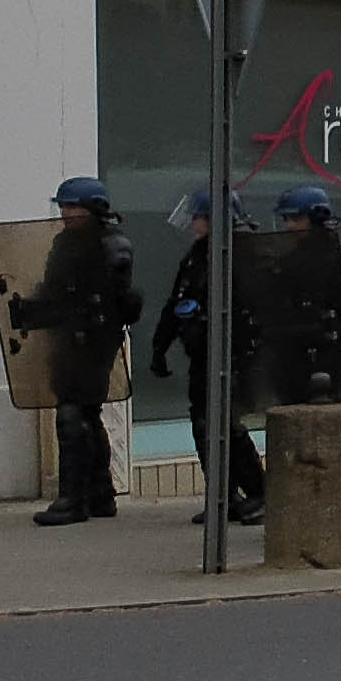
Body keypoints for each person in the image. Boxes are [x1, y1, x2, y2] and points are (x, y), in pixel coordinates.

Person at [17, 177, 139, 527]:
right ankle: (100, 494)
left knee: (73, 415)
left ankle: (73, 499)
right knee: (86, 415)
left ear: (94, 209)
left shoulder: (112, 245)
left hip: (94, 339)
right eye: (64, 207)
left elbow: (110, 293)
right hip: (68, 337)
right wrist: (33, 309)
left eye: (74, 207)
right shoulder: (64, 243)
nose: (67, 213)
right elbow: (55, 288)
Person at [150, 188, 265, 526]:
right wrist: (160, 346)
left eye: (198, 217)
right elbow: (177, 302)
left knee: (225, 423)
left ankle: (260, 492)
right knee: (204, 425)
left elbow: (252, 309)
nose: (192, 224)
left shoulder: (241, 254)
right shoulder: (197, 255)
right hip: (202, 353)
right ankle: (223, 496)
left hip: (233, 355)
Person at [257, 184, 341, 408]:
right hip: (290, 356)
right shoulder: (286, 260)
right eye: (287, 219)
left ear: (315, 218)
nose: (289, 225)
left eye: (296, 219)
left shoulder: (339, 258)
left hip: (326, 357)